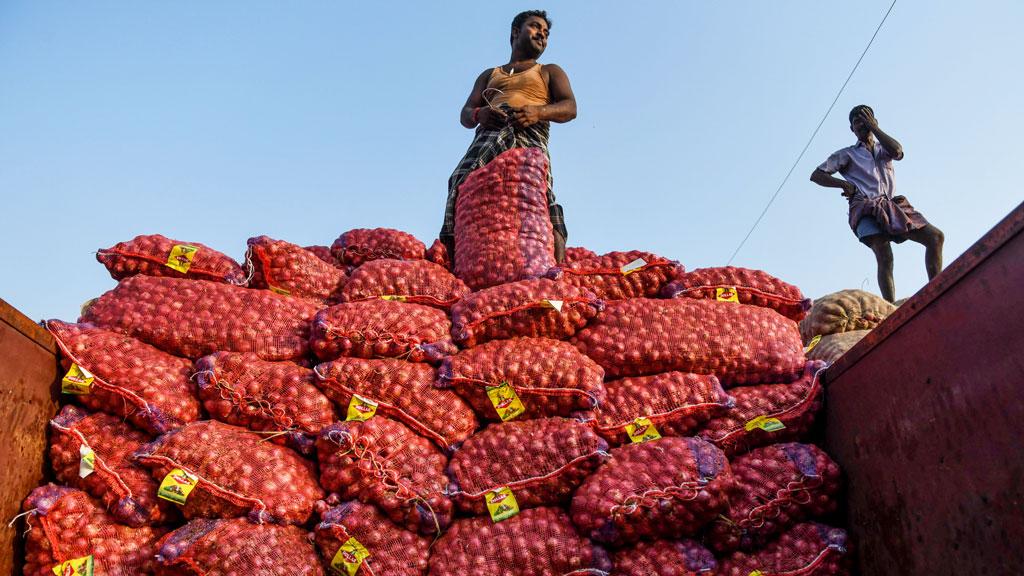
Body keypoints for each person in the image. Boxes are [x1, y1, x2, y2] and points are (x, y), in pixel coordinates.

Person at [440, 9, 577, 263]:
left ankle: (557, 266)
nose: (542, 35)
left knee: (536, 188)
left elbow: (570, 108)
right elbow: (465, 113)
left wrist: (537, 112)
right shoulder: (490, 74)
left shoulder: (549, 71)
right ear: (516, 32)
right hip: (491, 131)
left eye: (546, 33)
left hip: (528, 130)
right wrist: (480, 114)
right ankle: (454, 257)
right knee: (460, 179)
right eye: (536, 27)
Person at [810, 105, 944, 302]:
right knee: (884, 254)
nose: (862, 124)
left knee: (935, 237)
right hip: (865, 207)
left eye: (866, 119)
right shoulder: (847, 154)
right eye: (857, 122)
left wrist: (875, 129)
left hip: (892, 205)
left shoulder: (884, 149)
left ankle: (937, 289)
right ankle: (890, 309)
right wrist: (843, 184)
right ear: (852, 129)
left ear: (874, 122)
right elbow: (816, 175)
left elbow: (898, 151)